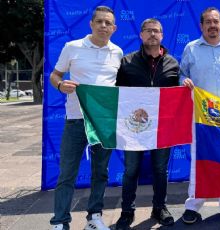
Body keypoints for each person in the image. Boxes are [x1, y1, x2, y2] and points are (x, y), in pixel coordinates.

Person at [49, 6, 123, 230]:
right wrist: (61, 85)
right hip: (75, 119)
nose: (103, 26)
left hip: (104, 122)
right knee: (67, 173)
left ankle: (94, 217)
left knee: (101, 172)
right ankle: (60, 221)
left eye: (108, 23)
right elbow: (55, 75)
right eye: (99, 21)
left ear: (114, 28)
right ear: (91, 24)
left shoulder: (117, 52)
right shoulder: (72, 47)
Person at [113, 18, 179, 229]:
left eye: (156, 31)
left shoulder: (173, 63)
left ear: (162, 36)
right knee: (131, 170)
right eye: (148, 30)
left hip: (162, 128)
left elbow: (178, 98)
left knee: (160, 170)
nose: (152, 34)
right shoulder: (127, 62)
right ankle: (126, 211)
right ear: (141, 35)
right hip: (133, 127)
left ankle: (159, 208)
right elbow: (117, 95)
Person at [179, 7, 220, 225]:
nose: (212, 25)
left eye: (216, 21)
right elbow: (182, 73)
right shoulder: (191, 48)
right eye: (208, 22)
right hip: (202, 116)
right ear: (201, 26)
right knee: (200, 161)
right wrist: (183, 81)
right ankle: (193, 205)